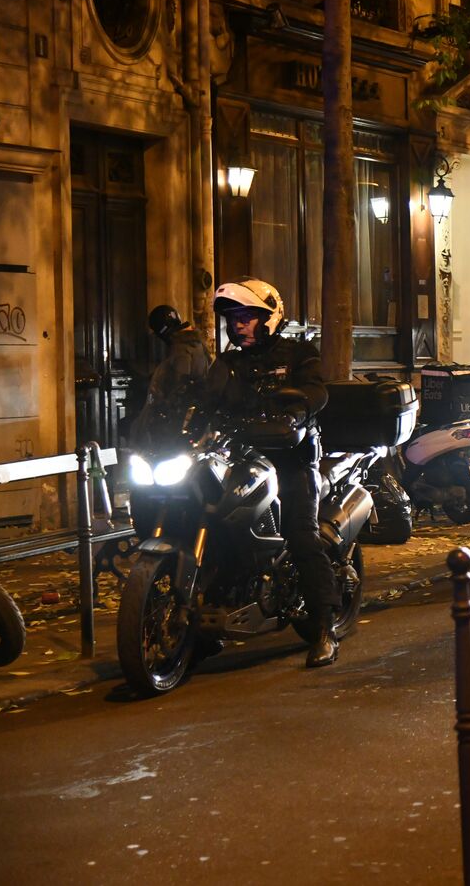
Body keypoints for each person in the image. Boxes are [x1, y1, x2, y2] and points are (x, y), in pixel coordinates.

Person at [204, 279, 339, 667]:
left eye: (246, 318)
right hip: (241, 461)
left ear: (269, 318)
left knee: (301, 536)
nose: (238, 326)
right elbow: (203, 400)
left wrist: (299, 409)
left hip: (292, 461)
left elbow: (317, 391)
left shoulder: (298, 354)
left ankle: (325, 629)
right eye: (233, 319)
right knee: (213, 522)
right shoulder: (226, 365)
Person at [131, 305, 212, 449]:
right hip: (196, 412)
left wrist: (165, 406)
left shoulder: (181, 347)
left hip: (180, 416)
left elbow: (179, 382)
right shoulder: (196, 344)